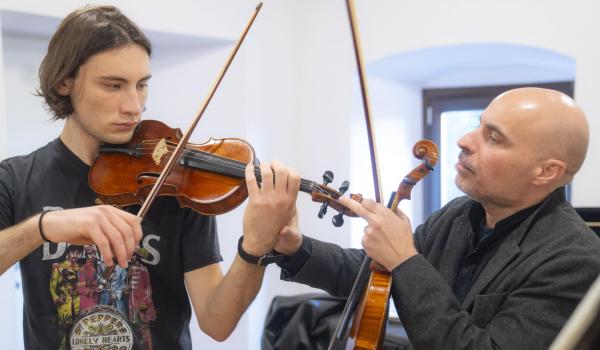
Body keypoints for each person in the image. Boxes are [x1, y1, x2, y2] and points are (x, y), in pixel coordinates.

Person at [0, 5, 299, 350]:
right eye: (113, 85)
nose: (134, 106)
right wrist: (43, 227)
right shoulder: (16, 179)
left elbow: (217, 323)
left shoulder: (179, 179)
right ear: (63, 82)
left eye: (141, 85)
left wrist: (255, 248)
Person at [274, 87, 600, 349]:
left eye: (494, 137)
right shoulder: (458, 215)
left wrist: (405, 259)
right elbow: (373, 272)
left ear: (546, 172)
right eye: (478, 124)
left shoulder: (573, 260)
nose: (464, 141)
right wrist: (296, 248)